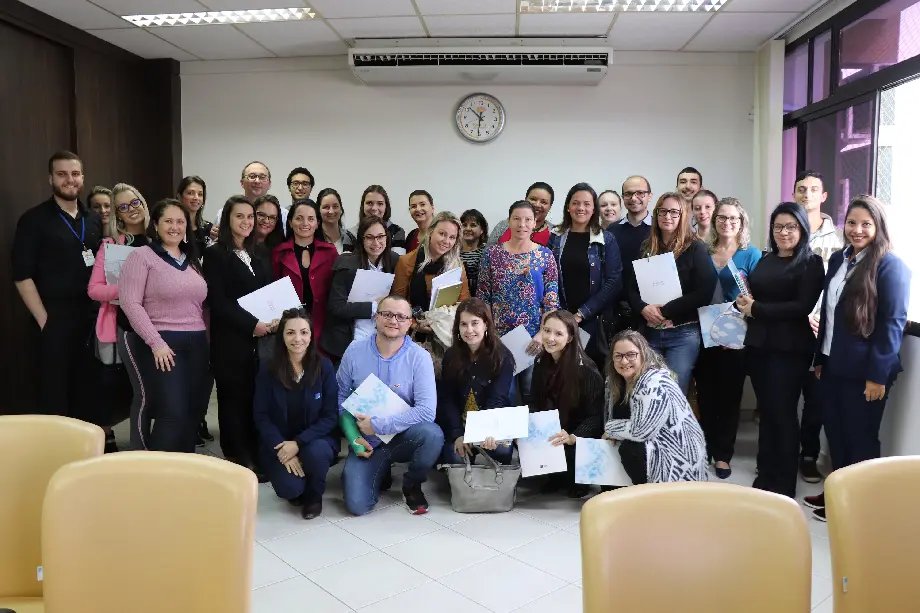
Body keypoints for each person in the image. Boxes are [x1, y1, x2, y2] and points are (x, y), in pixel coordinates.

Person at [804, 196, 910, 521]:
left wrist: (877, 375)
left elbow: (893, 323)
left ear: (879, 227)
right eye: (852, 223)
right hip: (833, 364)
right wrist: (820, 359)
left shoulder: (890, 266)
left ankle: (860, 507)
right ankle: (838, 494)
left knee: (860, 438)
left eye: (866, 224)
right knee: (835, 434)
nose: (857, 230)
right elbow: (829, 312)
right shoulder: (839, 258)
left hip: (865, 372)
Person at [736, 202, 824, 498]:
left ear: (802, 229)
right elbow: (757, 296)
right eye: (778, 227)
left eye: (791, 227)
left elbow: (801, 307)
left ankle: (784, 482)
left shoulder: (811, 262)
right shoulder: (766, 259)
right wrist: (745, 303)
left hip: (789, 349)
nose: (784, 232)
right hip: (759, 345)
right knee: (768, 412)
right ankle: (766, 471)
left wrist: (757, 309)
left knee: (783, 413)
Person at [13, 150, 103, 417]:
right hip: (54, 318)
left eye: (75, 174)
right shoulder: (33, 220)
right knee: (55, 394)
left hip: (90, 317)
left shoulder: (92, 218)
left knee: (87, 391)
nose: (69, 180)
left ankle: (87, 442)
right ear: (51, 179)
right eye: (62, 174)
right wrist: (44, 320)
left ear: (82, 177)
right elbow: (22, 275)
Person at [118, 199, 211, 452]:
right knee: (173, 412)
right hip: (163, 345)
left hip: (197, 344)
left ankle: (183, 467)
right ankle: (155, 471)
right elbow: (130, 303)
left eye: (180, 222)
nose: (175, 227)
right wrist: (156, 343)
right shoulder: (141, 256)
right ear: (156, 225)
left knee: (193, 411)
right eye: (168, 221)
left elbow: (200, 306)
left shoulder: (192, 260)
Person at [337, 294, 442, 516]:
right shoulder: (354, 351)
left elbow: (426, 412)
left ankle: (412, 484)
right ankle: (380, 470)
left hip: (403, 436)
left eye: (401, 317)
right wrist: (354, 438)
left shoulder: (419, 357)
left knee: (432, 434)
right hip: (367, 439)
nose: (394, 321)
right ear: (376, 317)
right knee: (357, 505)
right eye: (387, 314)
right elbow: (340, 397)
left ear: (410, 322)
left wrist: (378, 425)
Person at [203, 196, 274, 477]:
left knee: (255, 396)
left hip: (261, 339)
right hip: (231, 339)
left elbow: (268, 292)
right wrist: (252, 325)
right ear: (227, 220)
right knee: (233, 398)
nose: (246, 222)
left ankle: (256, 452)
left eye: (250, 216)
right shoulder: (215, 254)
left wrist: (275, 316)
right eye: (239, 216)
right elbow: (218, 302)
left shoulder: (260, 251)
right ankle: (237, 455)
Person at [694, 197, 761, 479]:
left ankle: (723, 455)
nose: (727, 222)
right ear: (714, 220)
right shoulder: (702, 250)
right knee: (705, 394)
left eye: (733, 218)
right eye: (722, 217)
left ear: (741, 222)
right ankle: (706, 448)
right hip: (702, 331)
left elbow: (759, 293)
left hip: (736, 334)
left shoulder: (750, 254)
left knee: (730, 396)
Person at [626, 192, 716, 394]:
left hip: (682, 334)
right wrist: (643, 308)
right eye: (663, 211)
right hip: (649, 333)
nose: (667, 216)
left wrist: (664, 311)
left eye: (674, 212)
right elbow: (631, 287)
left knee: (674, 391)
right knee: (648, 391)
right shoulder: (647, 247)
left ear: (683, 216)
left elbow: (705, 292)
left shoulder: (695, 248)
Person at [254, 308, 338, 520]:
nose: (298, 339)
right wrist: (283, 447)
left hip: (316, 440)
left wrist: (298, 444)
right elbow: (261, 415)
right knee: (290, 490)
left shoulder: (324, 366)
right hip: (280, 443)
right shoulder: (268, 368)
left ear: (311, 335)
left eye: (304, 332)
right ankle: (300, 485)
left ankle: (315, 496)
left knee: (316, 454)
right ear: (282, 336)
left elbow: (330, 416)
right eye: (290, 332)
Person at [88, 183, 150, 452]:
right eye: (123, 207)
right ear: (117, 215)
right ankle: (111, 435)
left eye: (134, 202)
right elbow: (94, 289)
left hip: (158, 326)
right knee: (113, 385)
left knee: (151, 388)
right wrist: (128, 289)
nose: (131, 210)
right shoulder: (111, 245)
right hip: (120, 326)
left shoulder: (160, 239)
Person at [478, 201, 560, 405]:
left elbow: (551, 301)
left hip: (533, 338)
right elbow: (483, 296)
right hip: (500, 337)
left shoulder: (545, 256)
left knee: (531, 392)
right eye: (516, 219)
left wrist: (542, 334)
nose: (522, 224)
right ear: (509, 221)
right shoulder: (492, 254)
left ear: (535, 223)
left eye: (527, 219)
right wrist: (490, 334)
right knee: (505, 393)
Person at [603, 330, 708, 484]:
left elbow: (641, 430)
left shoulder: (654, 383)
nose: (624, 361)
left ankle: (650, 493)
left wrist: (610, 429)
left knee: (631, 450)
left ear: (643, 354)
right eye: (618, 356)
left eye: (631, 355)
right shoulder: (619, 380)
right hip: (658, 440)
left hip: (678, 456)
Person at [793, 170, 844, 484]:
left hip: (820, 330)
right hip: (789, 326)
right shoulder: (785, 231)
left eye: (813, 189)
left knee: (815, 398)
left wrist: (820, 319)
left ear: (824, 196)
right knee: (785, 395)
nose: (807, 194)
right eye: (801, 189)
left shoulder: (838, 239)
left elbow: (837, 287)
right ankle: (781, 453)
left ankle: (808, 455)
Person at [530, 310, 605, 498]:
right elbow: (535, 402)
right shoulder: (540, 362)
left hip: (577, 435)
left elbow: (595, 417)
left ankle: (576, 478)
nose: (550, 338)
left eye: (558, 333)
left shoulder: (586, 369)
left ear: (570, 338)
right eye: (547, 330)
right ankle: (555, 475)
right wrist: (531, 429)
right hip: (554, 430)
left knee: (572, 468)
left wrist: (573, 437)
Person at [548, 182, 623, 369]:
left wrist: (582, 314)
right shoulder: (555, 237)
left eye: (587, 204)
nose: (580, 208)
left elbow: (614, 282)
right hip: (561, 318)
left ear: (594, 209)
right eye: (575, 203)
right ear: (568, 206)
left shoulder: (606, 239)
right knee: (562, 371)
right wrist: (562, 315)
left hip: (593, 320)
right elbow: (548, 277)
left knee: (590, 373)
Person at [437, 298, 515, 465]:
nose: (469, 330)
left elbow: (497, 399)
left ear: (486, 324)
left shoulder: (503, 357)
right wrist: (458, 434)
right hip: (460, 423)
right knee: (455, 458)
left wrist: (481, 432)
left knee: (502, 451)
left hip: (490, 422)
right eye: (464, 324)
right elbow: (447, 399)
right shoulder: (451, 356)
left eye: (475, 323)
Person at [321, 215, 400, 362]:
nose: (376, 242)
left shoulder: (395, 261)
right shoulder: (346, 263)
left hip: (384, 338)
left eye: (380, 237)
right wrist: (375, 306)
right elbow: (336, 307)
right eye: (369, 237)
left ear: (387, 237)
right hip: (350, 338)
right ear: (361, 239)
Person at [272, 200, 337, 349]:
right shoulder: (279, 252)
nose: (305, 223)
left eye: (311, 219)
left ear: (318, 223)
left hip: (323, 324)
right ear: (290, 222)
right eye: (299, 218)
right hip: (290, 325)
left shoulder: (330, 252)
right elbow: (273, 289)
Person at [393, 211, 471, 316]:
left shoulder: (457, 265)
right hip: (413, 322)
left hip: (446, 322)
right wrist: (417, 323)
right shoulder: (405, 262)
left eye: (452, 237)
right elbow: (397, 304)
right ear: (430, 231)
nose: (446, 241)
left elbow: (464, 303)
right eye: (442, 234)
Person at [609, 175, 654, 333]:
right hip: (617, 310)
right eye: (628, 194)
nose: (634, 198)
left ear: (649, 196)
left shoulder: (660, 229)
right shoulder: (612, 231)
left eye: (640, 193)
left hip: (651, 311)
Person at [212, 161, 273, 235]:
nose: (257, 181)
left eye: (262, 177)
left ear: (269, 184)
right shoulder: (225, 212)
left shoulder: (282, 215)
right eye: (252, 176)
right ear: (242, 183)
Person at [342, 185, 406, 253]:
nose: (374, 208)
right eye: (369, 203)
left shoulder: (397, 231)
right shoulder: (350, 234)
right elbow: (346, 259)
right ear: (363, 206)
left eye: (380, 203)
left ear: (386, 206)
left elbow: (398, 259)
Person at [487, 182, 555, 246]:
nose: (537, 204)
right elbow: (487, 252)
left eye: (543, 202)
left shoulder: (554, 232)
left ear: (550, 206)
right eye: (533, 199)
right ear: (525, 200)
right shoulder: (504, 225)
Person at [177, 175, 212, 257]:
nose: (196, 198)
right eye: (190, 193)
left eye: (200, 194)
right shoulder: (174, 229)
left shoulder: (209, 229)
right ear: (179, 197)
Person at [459, 209, 488, 297]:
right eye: (464, 225)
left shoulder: (487, 251)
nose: (468, 228)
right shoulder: (453, 252)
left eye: (473, 225)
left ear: (482, 230)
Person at [315, 187, 346, 254]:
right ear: (318, 211)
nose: (331, 211)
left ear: (341, 209)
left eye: (335, 206)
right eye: (326, 207)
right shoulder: (312, 240)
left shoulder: (351, 239)